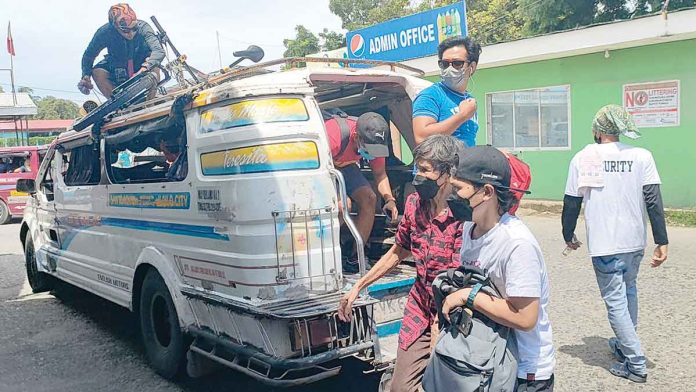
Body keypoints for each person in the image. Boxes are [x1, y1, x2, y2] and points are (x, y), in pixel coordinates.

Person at [338, 135, 465, 392]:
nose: (418, 175)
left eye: (426, 170)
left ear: (447, 173)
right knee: (400, 387)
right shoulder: (415, 204)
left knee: (440, 385)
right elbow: (398, 251)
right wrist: (358, 287)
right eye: (417, 167)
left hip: (455, 310)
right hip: (420, 306)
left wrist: (440, 329)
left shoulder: (463, 215)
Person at [562, 105, 668, 383]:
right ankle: (624, 344)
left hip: (605, 243)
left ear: (597, 130)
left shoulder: (584, 157)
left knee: (615, 302)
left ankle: (635, 363)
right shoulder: (642, 156)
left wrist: (568, 234)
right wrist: (661, 240)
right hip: (635, 242)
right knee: (629, 290)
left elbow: (572, 201)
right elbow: (653, 200)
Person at [443, 145, 556, 391]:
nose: (451, 197)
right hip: (486, 361)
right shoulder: (470, 229)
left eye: (458, 189)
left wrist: (468, 296)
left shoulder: (516, 244)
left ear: (487, 192)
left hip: (524, 373)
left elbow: (526, 318)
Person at [324, 112, 398, 272]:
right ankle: (329, 255)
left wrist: (389, 199)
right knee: (342, 206)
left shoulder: (375, 144)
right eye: (369, 149)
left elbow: (380, 174)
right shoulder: (334, 137)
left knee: (369, 198)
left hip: (346, 166)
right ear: (356, 137)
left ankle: (354, 256)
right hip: (324, 169)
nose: (371, 154)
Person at [78, 3, 165, 98]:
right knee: (97, 72)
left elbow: (158, 51)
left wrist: (145, 67)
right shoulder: (104, 33)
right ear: (115, 27)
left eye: (134, 28)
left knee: (154, 65)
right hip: (118, 68)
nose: (131, 34)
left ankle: (149, 101)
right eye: (126, 31)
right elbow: (89, 55)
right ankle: (117, 104)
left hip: (141, 66)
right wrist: (86, 76)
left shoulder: (144, 27)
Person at [412, 36, 481, 146]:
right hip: (440, 163)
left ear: (472, 67)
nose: (449, 69)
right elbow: (421, 138)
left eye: (457, 63)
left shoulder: (469, 101)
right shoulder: (430, 96)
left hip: (465, 162)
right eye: (444, 64)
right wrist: (462, 116)